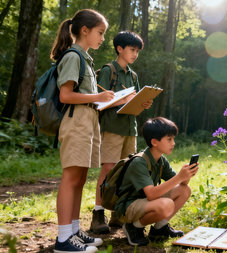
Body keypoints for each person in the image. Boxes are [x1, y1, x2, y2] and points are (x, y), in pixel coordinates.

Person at [51, 9, 114, 253]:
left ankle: (74, 230)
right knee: (70, 178)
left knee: (80, 178)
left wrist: (108, 99)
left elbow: (88, 97)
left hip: (88, 120)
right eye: (100, 33)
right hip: (76, 121)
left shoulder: (85, 59)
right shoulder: (73, 56)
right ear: (85, 30)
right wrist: (98, 95)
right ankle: (63, 238)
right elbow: (66, 95)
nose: (102, 38)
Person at [90, 31, 153, 234]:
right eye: (132, 50)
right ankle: (98, 213)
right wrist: (122, 100)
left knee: (125, 172)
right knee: (109, 169)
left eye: (138, 51)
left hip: (130, 128)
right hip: (111, 128)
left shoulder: (133, 75)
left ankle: (118, 211)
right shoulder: (109, 70)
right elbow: (99, 101)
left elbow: (131, 105)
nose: (135, 54)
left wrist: (143, 104)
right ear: (120, 48)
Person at [116, 117, 198, 246]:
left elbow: (180, 184)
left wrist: (186, 176)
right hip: (127, 206)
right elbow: (152, 194)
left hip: (143, 202)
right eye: (169, 139)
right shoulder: (139, 162)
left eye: (173, 139)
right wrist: (179, 177)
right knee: (166, 204)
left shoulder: (161, 160)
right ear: (154, 142)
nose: (173, 143)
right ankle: (133, 227)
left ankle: (159, 228)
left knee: (184, 190)